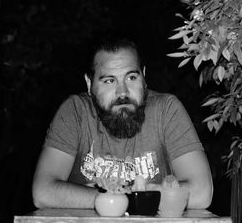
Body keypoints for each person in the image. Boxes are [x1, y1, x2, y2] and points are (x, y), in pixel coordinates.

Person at [32, 38, 213, 210]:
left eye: (131, 78)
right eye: (109, 81)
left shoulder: (166, 109)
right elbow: (43, 192)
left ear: (144, 76)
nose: (122, 92)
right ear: (89, 83)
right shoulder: (75, 111)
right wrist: (131, 199)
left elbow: (201, 193)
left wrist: (112, 199)